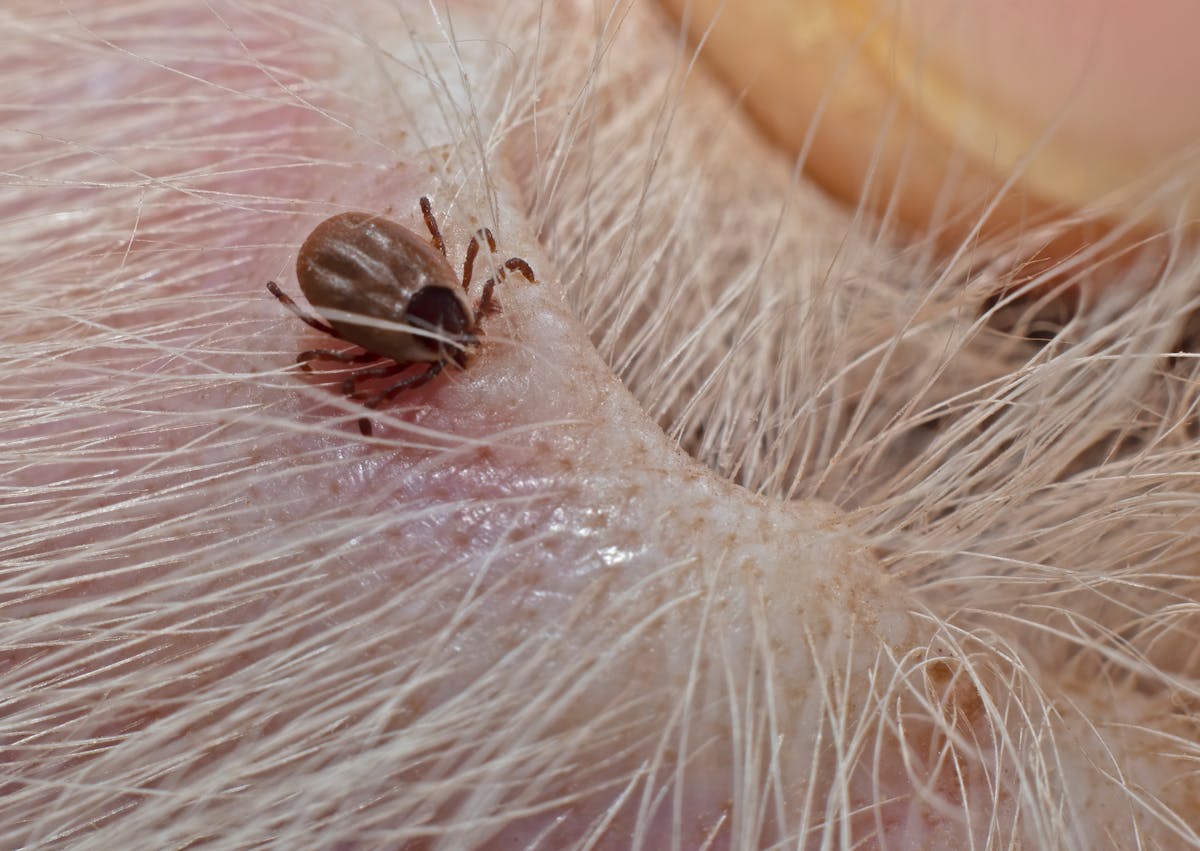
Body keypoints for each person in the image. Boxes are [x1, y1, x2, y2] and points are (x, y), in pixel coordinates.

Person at [4, 1, 1198, 847]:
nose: (470, 348)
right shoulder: (442, 282)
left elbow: (347, 348)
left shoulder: (401, 323)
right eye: (447, 341)